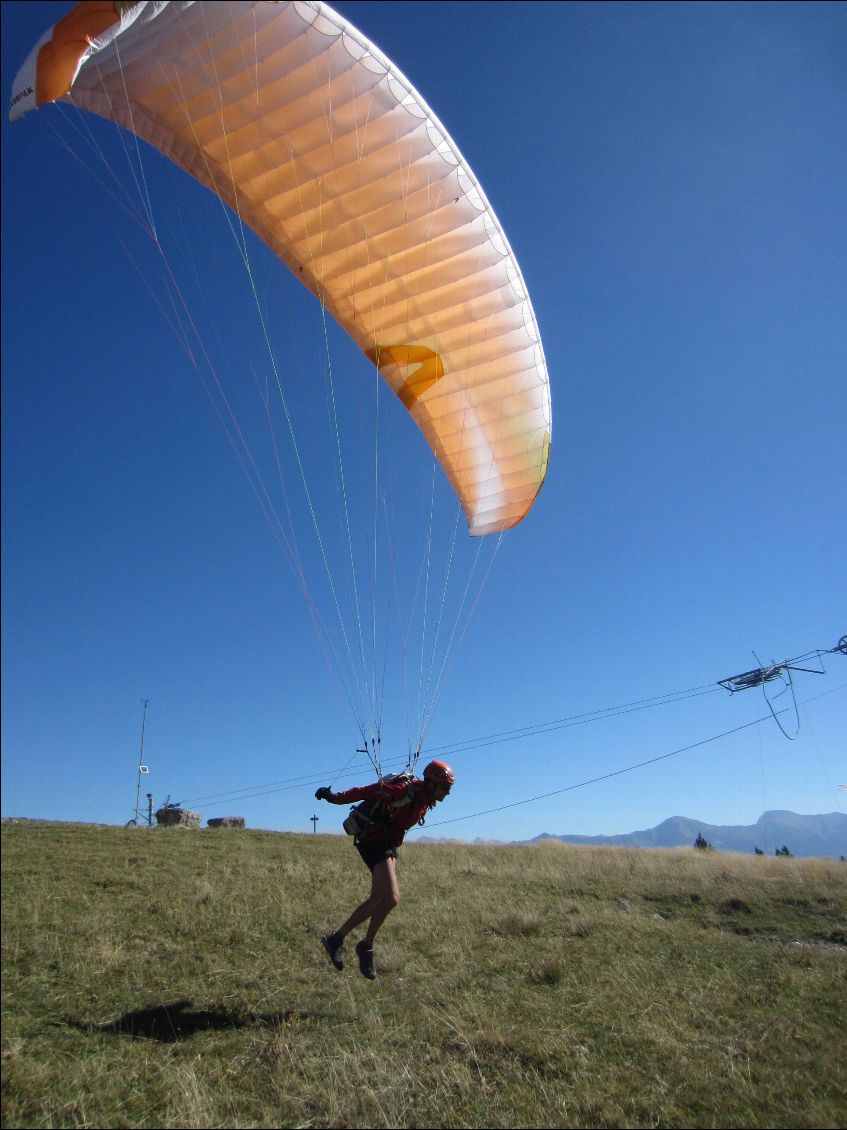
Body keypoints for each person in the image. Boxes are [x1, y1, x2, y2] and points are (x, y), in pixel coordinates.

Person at [314, 759, 455, 979]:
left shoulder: (425, 799)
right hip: (372, 839)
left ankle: (336, 939)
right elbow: (368, 791)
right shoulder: (403, 791)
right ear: (431, 783)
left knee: (378, 897)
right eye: (445, 787)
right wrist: (334, 798)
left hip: (387, 842)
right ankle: (365, 946)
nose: (447, 793)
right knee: (391, 898)